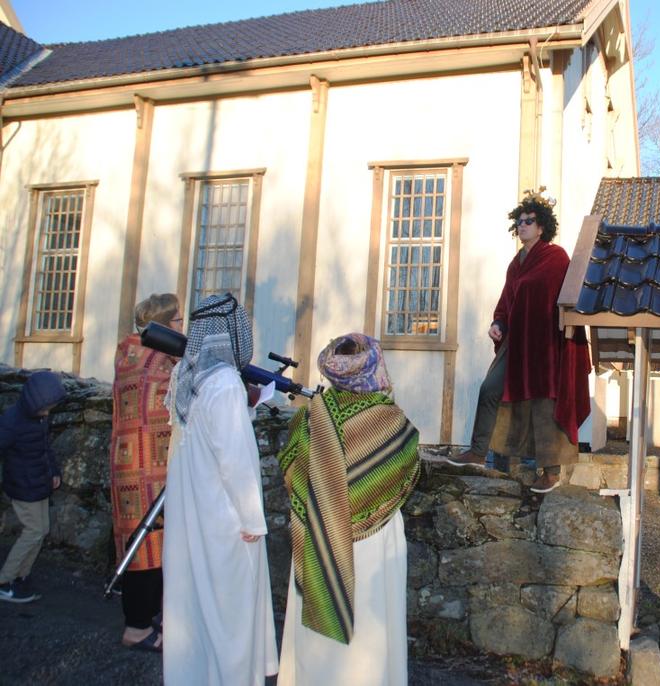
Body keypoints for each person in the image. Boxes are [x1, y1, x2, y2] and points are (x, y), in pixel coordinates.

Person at [276, 333, 420, 686]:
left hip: (316, 540)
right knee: (369, 642)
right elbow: (406, 467)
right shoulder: (390, 421)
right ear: (373, 367)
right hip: (372, 544)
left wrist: (325, 507)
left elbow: (292, 470)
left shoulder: (310, 417)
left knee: (316, 642)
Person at [161, 293, 277, 685]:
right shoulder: (225, 384)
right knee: (230, 614)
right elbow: (235, 461)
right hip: (224, 521)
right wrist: (252, 519)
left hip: (194, 511)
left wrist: (249, 405)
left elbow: (207, 432)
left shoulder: (189, 377)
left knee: (198, 608)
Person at [448, 188, 591, 493]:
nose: (523, 225)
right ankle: (477, 451)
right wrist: (498, 323)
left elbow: (564, 300)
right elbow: (507, 301)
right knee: (489, 388)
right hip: (516, 342)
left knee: (544, 401)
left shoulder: (556, 257)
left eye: (529, 221)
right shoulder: (517, 263)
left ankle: (550, 471)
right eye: (520, 221)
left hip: (545, 343)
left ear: (542, 227)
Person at [109, 293, 181, 651]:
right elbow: (183, 400)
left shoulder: (130, 354)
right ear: (166, 327)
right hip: (150, 468)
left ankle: (144, 617)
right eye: (179, 322)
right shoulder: (158, 362)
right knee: (150, 545)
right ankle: (137, 626)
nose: (183, 327)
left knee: (139, 541)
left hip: (128, 462)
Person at [0, 370, 67, 603]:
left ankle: (21, 575)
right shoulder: (11, 421)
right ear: (33, 401)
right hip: (22, 486)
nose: (47, 413)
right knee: (33, 532)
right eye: (45, 408)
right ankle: (5, 581)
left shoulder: (38, 416)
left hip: (38, 483)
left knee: (42, 530)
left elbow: (45, 447)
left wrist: (54, 471)